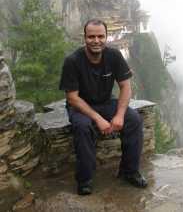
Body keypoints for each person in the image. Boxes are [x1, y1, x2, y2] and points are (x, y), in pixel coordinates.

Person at [59, 19, 147, 195]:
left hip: (106, 102)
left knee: (134, 120)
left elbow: (126, 86)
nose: (96, 40)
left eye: (100, 36)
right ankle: (85, 179)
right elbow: (72, 97)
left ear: (106, 37)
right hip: (80, 105)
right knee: (83, 127)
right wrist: (98, 119)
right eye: (91, 36)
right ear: (85, 38)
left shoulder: (113, 56)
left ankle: (129, 171)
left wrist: (120, 115)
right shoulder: (73, 61)